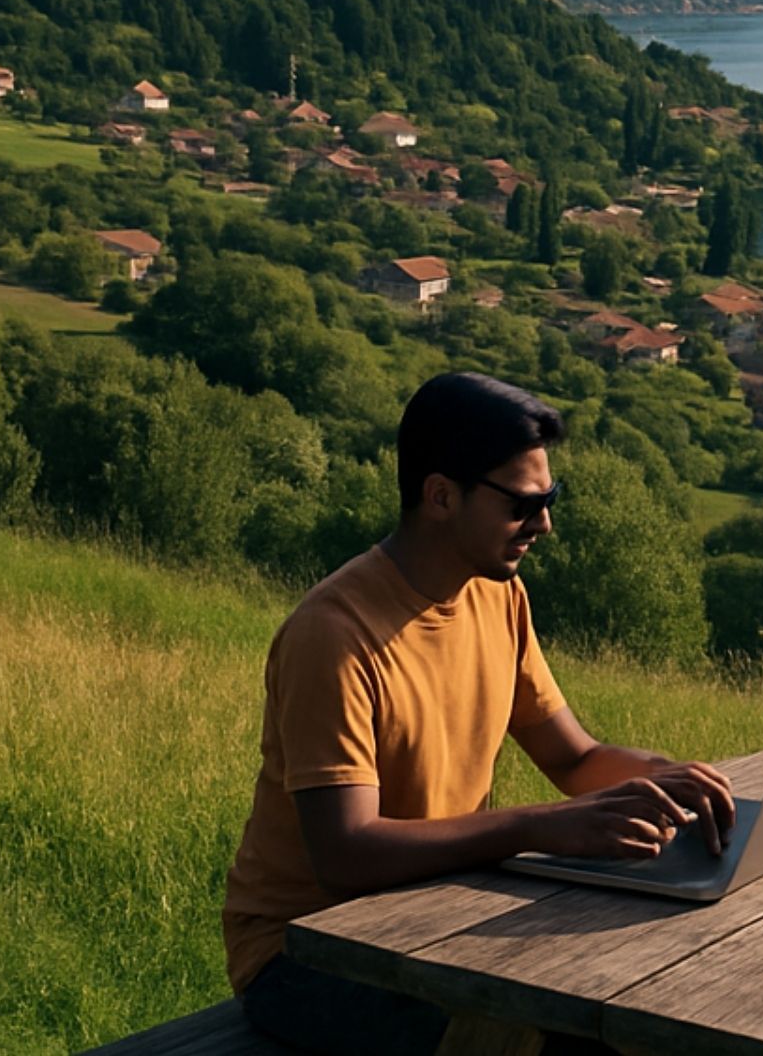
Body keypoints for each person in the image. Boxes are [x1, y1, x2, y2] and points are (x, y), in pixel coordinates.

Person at [222, 373, 734, 1054]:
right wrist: (543, 828)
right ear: (440, 496)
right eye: (525, 504)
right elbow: (345, 853)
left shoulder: (497, 597)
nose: (545, 523)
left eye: (549, 498)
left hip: (433, 918)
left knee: (710, 1015)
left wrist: (671, 782)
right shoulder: (336, 633)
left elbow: (572, 758)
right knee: (586, 1039)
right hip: (309, 956)